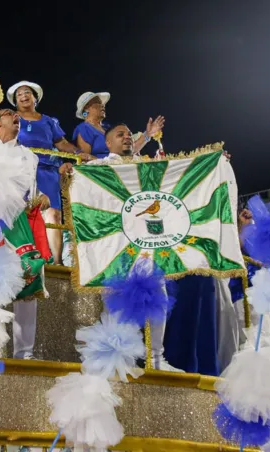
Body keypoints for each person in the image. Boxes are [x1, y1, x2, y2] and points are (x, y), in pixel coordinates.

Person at [60, 124, 183, 372]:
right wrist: (68, 172)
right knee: (115, 306)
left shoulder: (146, 167)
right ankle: (114, 362)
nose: (127, 137)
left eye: (129, 135)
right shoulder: (97, 168)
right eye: (120, 134)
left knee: (158, 295)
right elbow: (78, 189)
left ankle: (156, 360)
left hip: (144, 244)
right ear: (107, 144)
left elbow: (176, 179)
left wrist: (215, 164)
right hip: (114, 248)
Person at [0, 77, 91, 265]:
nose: (24, 96)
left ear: (35, 98)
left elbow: (62, 143)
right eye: (19, 94)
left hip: (47, 172)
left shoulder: (49, 121)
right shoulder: (10, 118)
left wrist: (80, 153)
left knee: (53, 214)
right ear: (14, 101)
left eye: (27, 93)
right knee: (22, 215)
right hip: (18, 172)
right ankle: (24, 257)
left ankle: (56, 262)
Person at [0, 108, 50, 359]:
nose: (15, 115)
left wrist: (41, 196)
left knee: (28, 278)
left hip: (23, 222)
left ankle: (24, 352)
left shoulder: (29, 156)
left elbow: (32, 187)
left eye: (16, 115)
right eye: (7, 114)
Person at [72, 92, 164, 158]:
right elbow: (84, 159)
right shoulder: (84, 128)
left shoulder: (108, 128)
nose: (103, 105)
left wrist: (148, 134)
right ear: (86, 108)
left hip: (120, 170)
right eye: (98, 103)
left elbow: (130, 150)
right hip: (102, 175)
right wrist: (107, 164)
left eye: (103, 103)